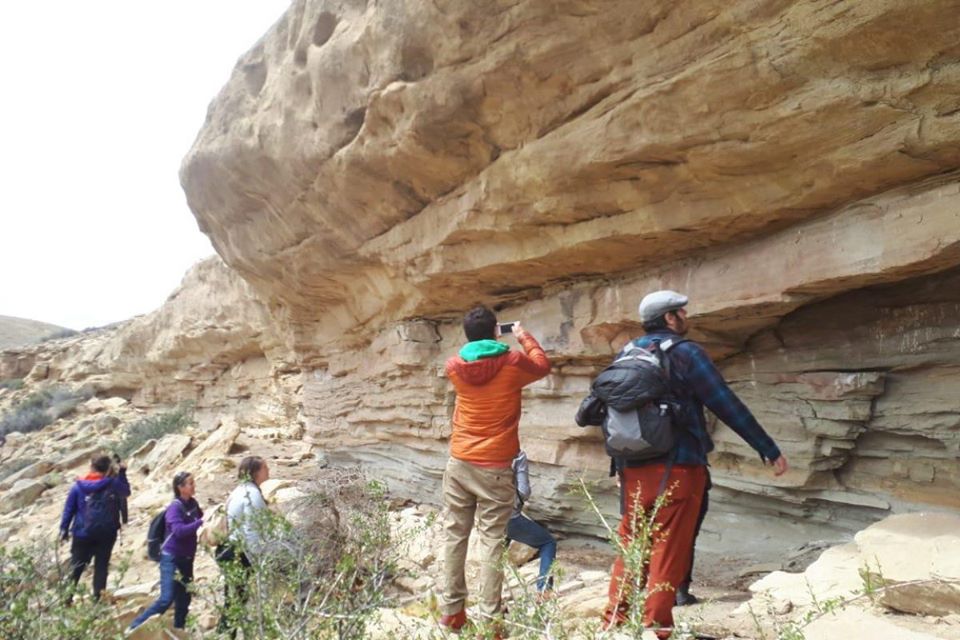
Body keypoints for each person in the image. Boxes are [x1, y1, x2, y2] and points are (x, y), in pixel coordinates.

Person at [602, 290, 789, 638]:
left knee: (631, 544)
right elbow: (724, 402)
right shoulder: (686, 353)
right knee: (668, 548)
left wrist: (618, 466)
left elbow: (612, 413)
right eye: (681, 312)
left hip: (632, 468)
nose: (686, 317)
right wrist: (767, 447)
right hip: (679, 466)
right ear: (670, 319)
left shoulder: (625, 354)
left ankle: (613, 623)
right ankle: (656, 628)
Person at [438, 306, 551, 632]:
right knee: (490, 540)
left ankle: (452, 612)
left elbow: (477, 357)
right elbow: (543, 366)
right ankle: (490, 622)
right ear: (494, 332)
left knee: (455, 536)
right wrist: (521, 335)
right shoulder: (512, 362)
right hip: (495, 466)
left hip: (459, 462)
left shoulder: (455, 367)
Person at [127, 471, 203, 633]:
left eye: (193, 482)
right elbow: (179, 531)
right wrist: (199, 523)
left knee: (184, 597)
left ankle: (179, 630)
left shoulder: (193, 504)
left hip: (187, 558)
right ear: (180, 488)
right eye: (190, 483)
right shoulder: (174, 508)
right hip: (172, 557)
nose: (193, 485)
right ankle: (134, 627)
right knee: (166, 598)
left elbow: (199, 518)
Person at [59, 453, 131, 600]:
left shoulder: (78, 487)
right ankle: (98, 601)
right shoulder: (112, 484)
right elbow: (126, 491)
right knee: (101, 567)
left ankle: (66, 599)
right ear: (108, 468)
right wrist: (122, 473)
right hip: (107, 532)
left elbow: (69, 509)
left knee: (77, 566)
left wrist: (64, 529)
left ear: (91, 467)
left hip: (82, 532)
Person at [216, 456, 270, 637]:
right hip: (239, 554)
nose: (268, 470)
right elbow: (252, 529)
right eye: (265, 468)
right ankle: (225, 635)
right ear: (256, 472)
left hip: (232, 550)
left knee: (235, 599)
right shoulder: (251, 495)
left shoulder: (241, 490)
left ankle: (227, 634)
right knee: (235, 601)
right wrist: (260, 560)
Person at [506, 450, 557, 595]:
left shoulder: (478, 449)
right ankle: (544, 590)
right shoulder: (517, 455)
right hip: (510, 517)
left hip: (487, 517)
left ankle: (490, 596)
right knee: (548, 543)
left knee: (496, 553)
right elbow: (524, 491)